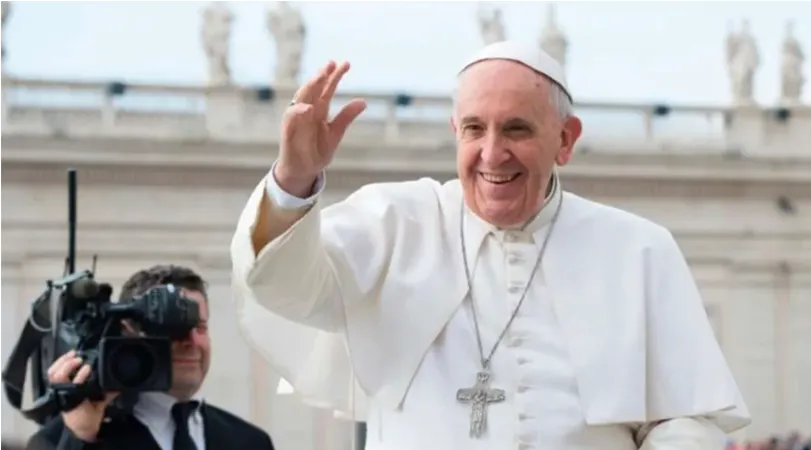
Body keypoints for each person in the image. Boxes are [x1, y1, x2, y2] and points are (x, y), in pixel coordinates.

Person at [230, 41, 751, 449]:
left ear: (565, 139)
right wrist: (293, 181)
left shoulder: (639, 250)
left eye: (517, 130)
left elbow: (689, 415)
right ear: (456, 130)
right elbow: (282, 286)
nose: (492, 154)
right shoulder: (392, 222)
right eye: (475, 129)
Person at [27, 265, 275, 450]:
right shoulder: (61, 439)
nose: (191, 341)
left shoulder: (250, 442)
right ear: (130, 333)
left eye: (200, 327)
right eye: (175, 328)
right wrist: (79, 438)